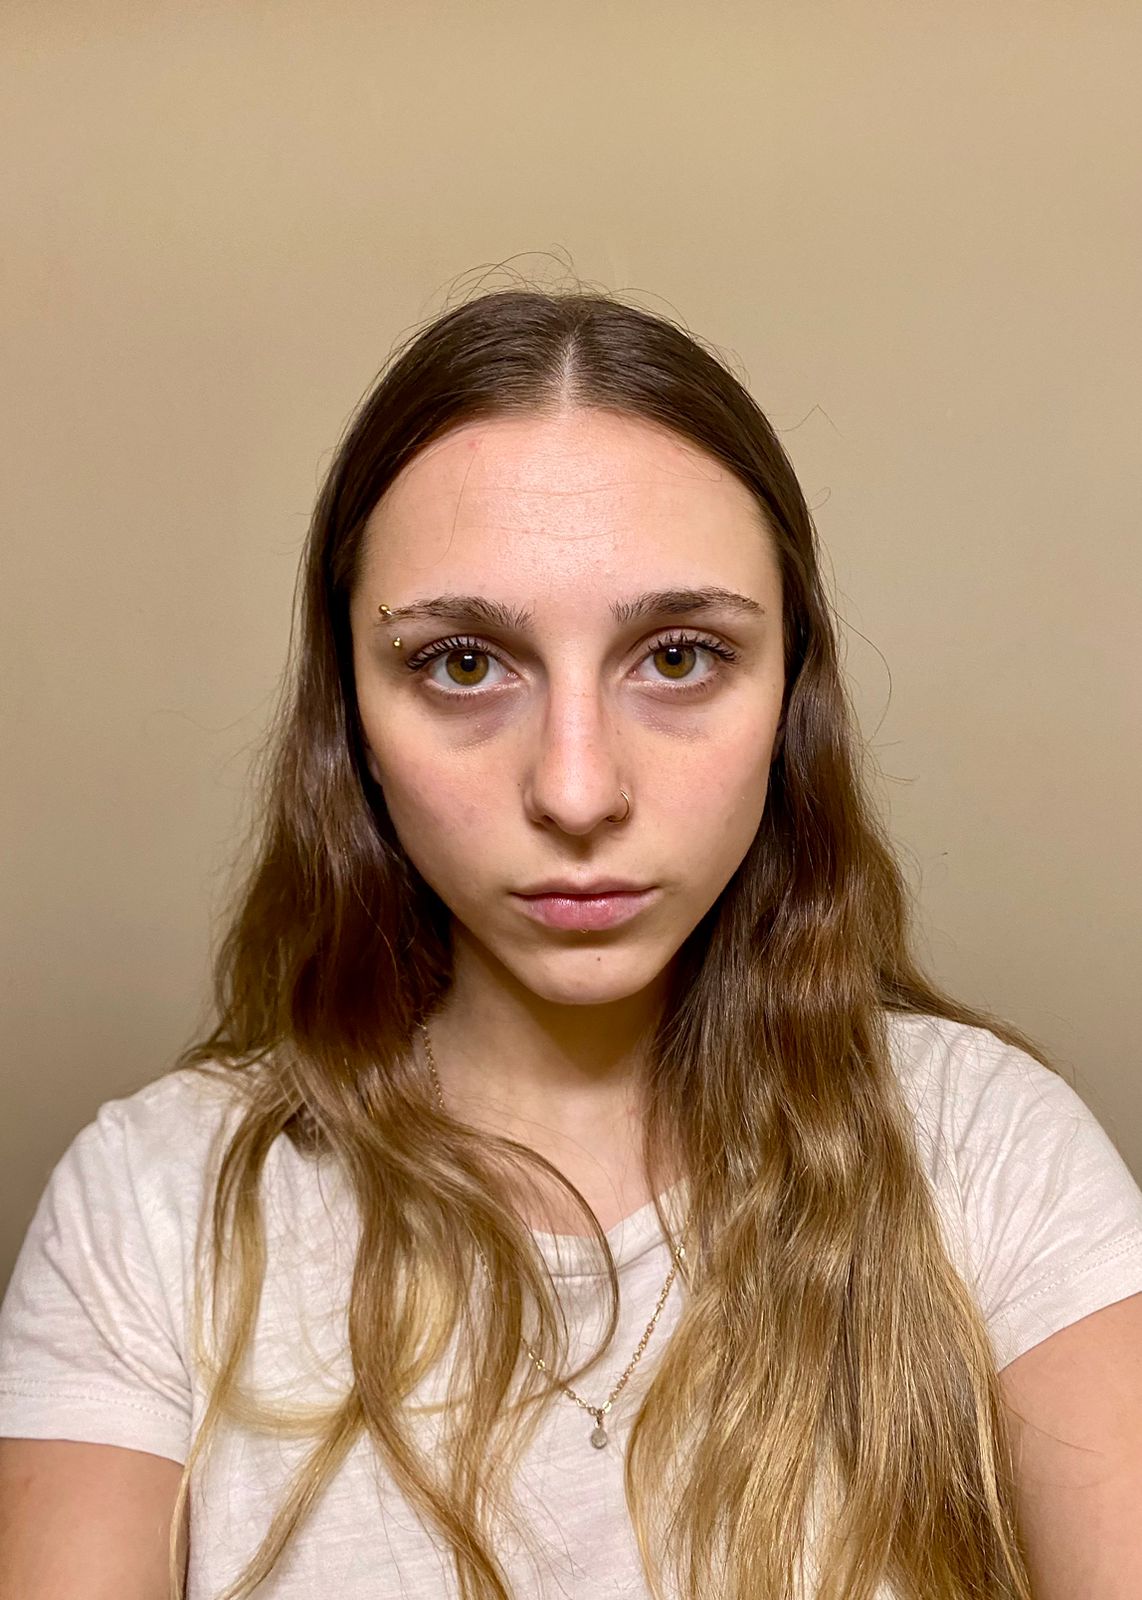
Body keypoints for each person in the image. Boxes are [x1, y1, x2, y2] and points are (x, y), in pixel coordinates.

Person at [1, 287, 1140, 1600]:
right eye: (464, 664)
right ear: (350, 718)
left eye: (678, 657)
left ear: (792, 690)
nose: (579, 790)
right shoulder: (155, 1209)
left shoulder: (985, 1151)